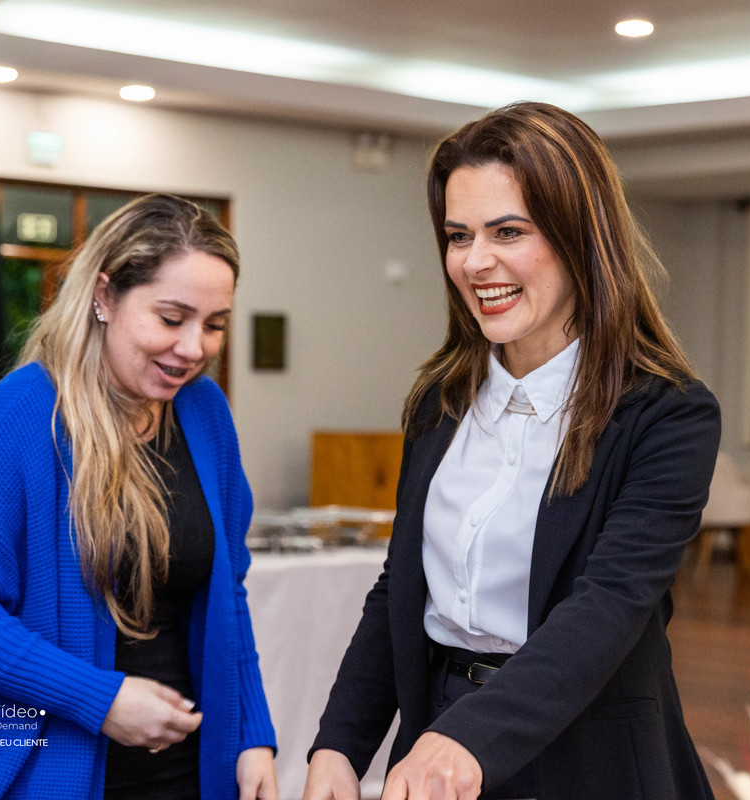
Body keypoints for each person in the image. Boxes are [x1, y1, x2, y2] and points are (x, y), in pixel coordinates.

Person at [303, 102, 720, 800]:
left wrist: (471, 738)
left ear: (580, 238)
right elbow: (400, 589)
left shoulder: (666, 415)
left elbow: (608, 605)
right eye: (458, 236)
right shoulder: (440, 402)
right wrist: (340, 744)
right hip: (437, 736)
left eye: (508, 232)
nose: (475, 262)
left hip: (587, 755)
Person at [0, 194, 277, 800]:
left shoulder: (205, 414)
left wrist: (251, 735)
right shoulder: (18, 418)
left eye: (214, 325)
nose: (193, 348)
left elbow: (227, 590)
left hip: (186, 765)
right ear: (104, 296)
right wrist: (100, 699)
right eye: (171, 318)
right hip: (57, 767)